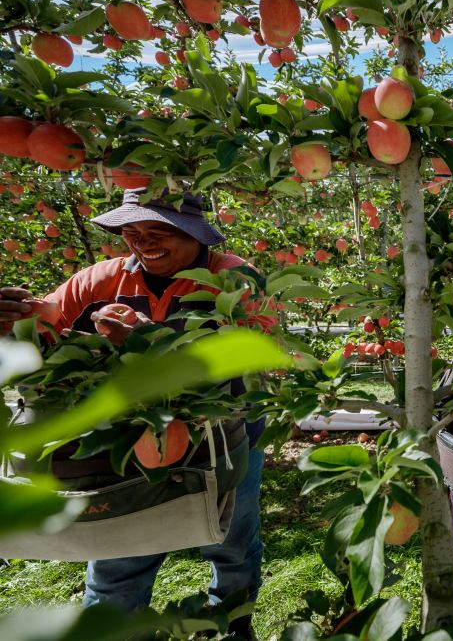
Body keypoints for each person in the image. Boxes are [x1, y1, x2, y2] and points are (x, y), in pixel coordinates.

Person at [0, 188, 267, 636]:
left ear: (196, 233)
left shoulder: (235, 280)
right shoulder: (98, 280)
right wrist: (15, 325)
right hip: (127, 447)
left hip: (226, 441)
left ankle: (233, 626)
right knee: (119, 556)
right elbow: (43, 338)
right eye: (132, 230)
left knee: (232, 546)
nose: (143, 241)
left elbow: (251, 359)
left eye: (159, 229)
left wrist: (151, 344)